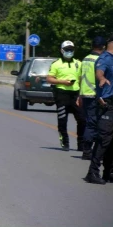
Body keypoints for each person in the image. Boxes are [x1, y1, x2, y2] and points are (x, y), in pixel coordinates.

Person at [47, 40, 85, 152]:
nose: (69, 52)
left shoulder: (79, 63)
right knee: (62, 120)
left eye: (71, 50)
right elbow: (49, 79)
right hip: (62, 95)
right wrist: (63, 82)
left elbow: (81, 79)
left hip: (75, 94)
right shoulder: (56, 64)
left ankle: (81, 144)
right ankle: (65, 142)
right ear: (62, 50)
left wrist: (81, 94)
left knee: (82, 120)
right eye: (67, 50)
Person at [85, 34, 113, 184]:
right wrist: (101, 78)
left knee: (111, 141)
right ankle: (92, 172)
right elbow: (99, 71)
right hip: (107, 104)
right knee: (104, 140)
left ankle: (108, 172)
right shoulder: (105, 58)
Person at [77, 36, 107, 160]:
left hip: (85, 93)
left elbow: (80, 78)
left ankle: (89, 149)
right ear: (104, 47)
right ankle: (88, 150)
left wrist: (79, 95)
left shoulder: (85, 59)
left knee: (90, 122)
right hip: (96, 95)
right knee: (94, 123)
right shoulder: (101, 60)